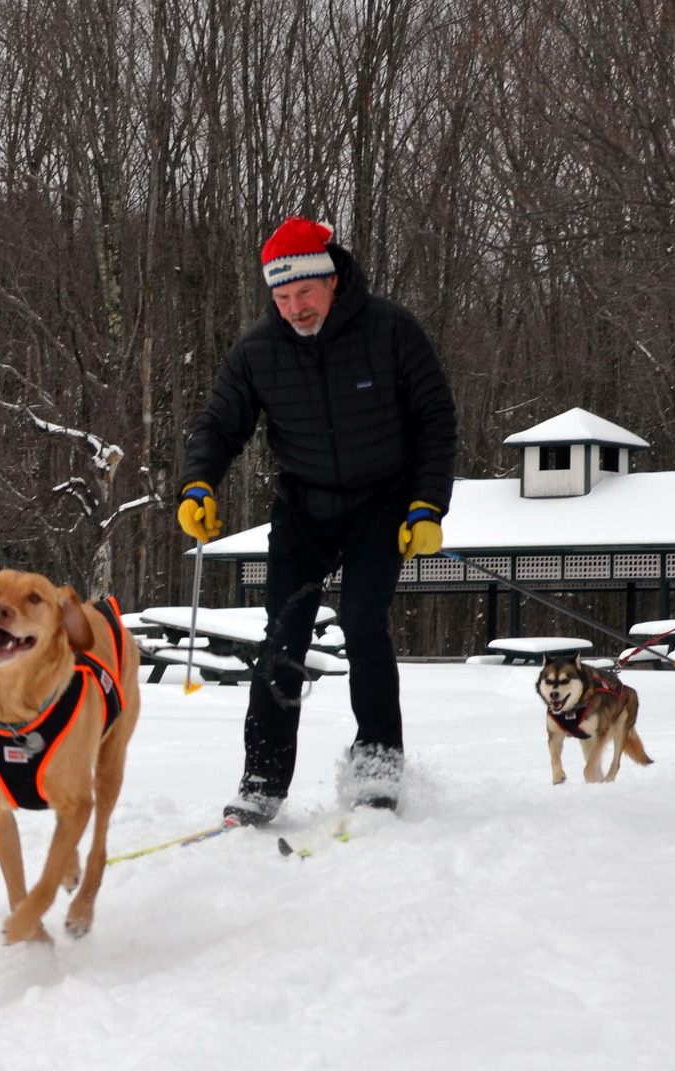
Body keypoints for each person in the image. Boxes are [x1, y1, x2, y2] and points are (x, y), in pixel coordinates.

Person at [176, 216, 458, 826]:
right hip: (305, 508)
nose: (295, 308)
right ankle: (262, 781)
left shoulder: (392, 332)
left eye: (304, 293)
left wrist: (427, 504)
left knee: (363, 624)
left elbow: (437, 420)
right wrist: (197, 483)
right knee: (282, 638)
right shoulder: (258, 349)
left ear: (331, 280)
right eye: (282, 297)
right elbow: (220, 425)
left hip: (382, 503)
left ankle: (378, 766)